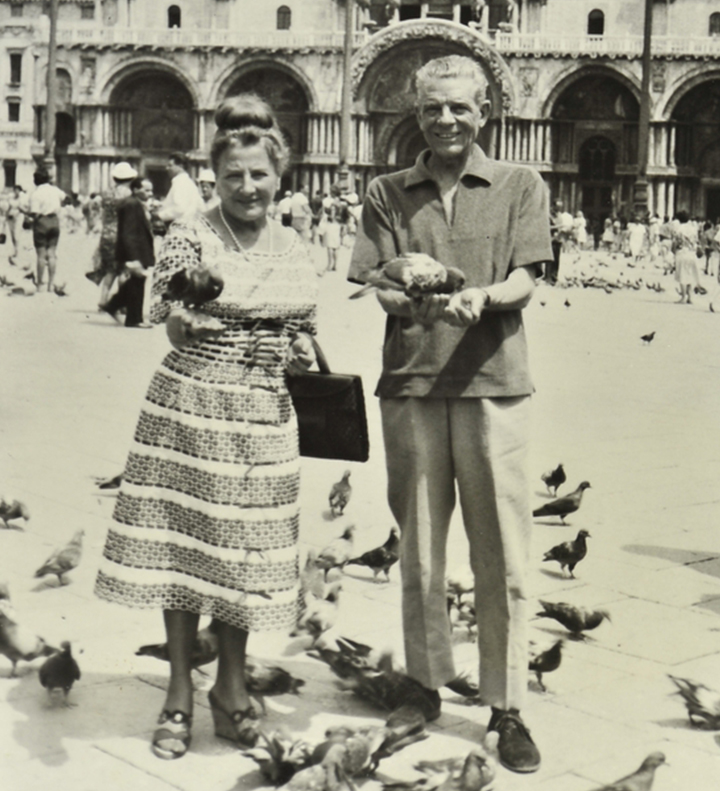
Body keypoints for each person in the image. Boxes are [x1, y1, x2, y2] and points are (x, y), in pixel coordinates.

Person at [95, 93, 319, 761]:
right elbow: (166, 310)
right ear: (214, 179)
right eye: (233, 177)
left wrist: (301, 348)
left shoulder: (297, 245)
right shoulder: (193, 234)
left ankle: (228, 686)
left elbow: (304, 327)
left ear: (281, 177)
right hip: (192, 407)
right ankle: (176, 694)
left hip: (266, 418)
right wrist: (183, 322)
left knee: (243, 559)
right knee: (185, 553)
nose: (247, 187)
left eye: (259, 175)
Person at [348, 55, 552, 774]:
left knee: (502, 549)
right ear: (416, 112)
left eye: (460, 107)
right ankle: (426, 681)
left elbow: (528, 276)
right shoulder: (386, 191)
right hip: (411, 381)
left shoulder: (520, 184)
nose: (445, 120)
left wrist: (485, 297)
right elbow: (378, 279)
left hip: (495, 381)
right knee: (421, 546)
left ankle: (506, 703)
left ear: (485, 110)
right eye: (432, 108)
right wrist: (404, 291)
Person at [100, 177, 155, 328]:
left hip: (136, 250)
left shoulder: (133, 203)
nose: (150, 193)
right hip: (135, 251)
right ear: (136, 189)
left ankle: (113, 305)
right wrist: (133, 257)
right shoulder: (132, 204)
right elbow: (128, 232)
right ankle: (134, 319)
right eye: (146, 190)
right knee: (137, 284)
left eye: (151, 190)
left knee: (135, 282)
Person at [86, 161, 137, 307]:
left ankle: (103, 299)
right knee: (124, 270)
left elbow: (93, 206)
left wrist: (96, 222)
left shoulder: (106, 193)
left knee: (111, 269)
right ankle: (122, 303)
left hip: (107, 234)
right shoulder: (130, 194)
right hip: (124, 234)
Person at [27, 168, 67, 293]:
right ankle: (51, 284)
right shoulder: (55, 190)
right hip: (54, 221)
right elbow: (65, 198)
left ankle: (40, 285)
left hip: (42, 222)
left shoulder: (35, 194)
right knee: (52, 253)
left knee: (41, 254)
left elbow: (35, 213)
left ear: (35, 181)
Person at [157, 151, 204, 225]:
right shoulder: (186, 182)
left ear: (180, 166)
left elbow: (179, 209)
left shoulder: (181, 183)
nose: (167, 168)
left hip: (181, 227)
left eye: (170, 165)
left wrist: (159, 215)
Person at [673, 210, 700, 304]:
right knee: (690, 274)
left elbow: (676, 242)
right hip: (692, 253)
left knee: (682, 275)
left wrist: (674, 251)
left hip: (682, 252)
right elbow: (696, 241)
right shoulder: (693, 228)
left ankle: (683, 297)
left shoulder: (679, 229)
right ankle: (690, 297)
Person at [548, 199, 571, 284]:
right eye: (557, 207)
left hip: (558, 239)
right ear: (553, 206)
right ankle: (548, 278)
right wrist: (559, 226)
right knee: (550, 259)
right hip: (550, 239)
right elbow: (547, 227)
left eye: (560, 208)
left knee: (557, 259)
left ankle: (554, 277)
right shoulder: (548, 215)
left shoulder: (560, 215)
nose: (559, 209)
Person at [6, 184, 26, 265]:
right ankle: (15, 249)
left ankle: (18, 251)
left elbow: (23, 209)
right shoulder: (11, 198)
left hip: (18, 217)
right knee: (12, 235)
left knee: (17, 234)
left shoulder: (22, 198)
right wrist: (7, 216)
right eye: (15, 190)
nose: (16, 192)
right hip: (11, 218)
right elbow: (9, 207)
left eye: (18, 190)